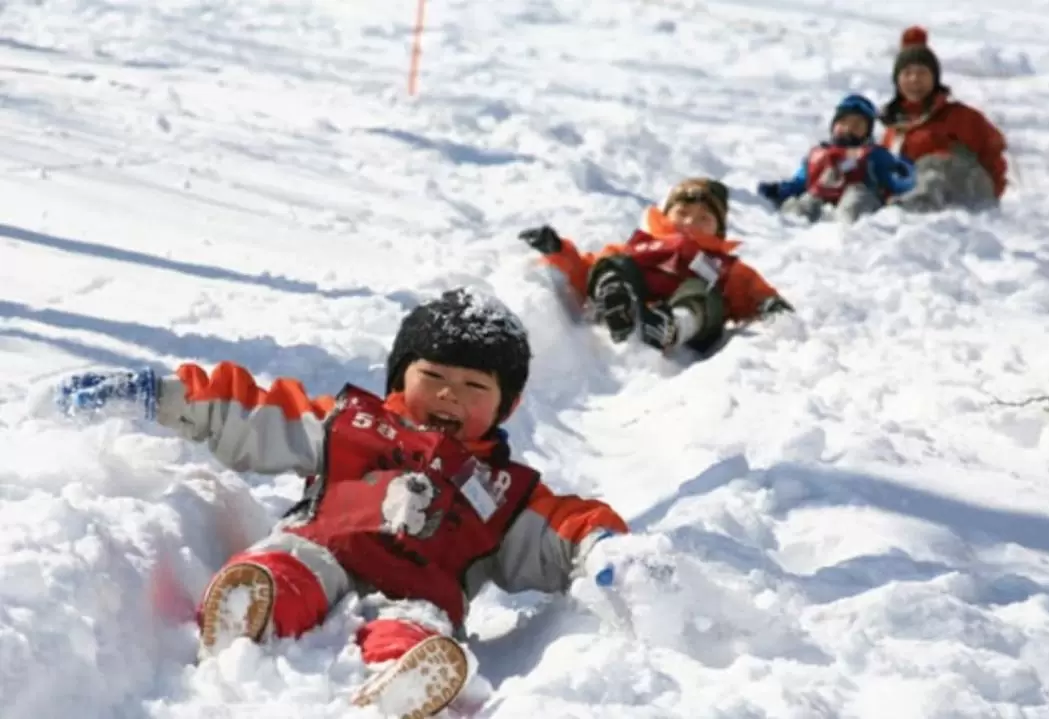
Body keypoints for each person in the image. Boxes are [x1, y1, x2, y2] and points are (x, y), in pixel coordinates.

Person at [57, 288, 628, 719]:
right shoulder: (351, 424)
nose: (450, 394)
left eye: (475, 386)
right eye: (433, 376)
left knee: (417, 626)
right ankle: (249, 609)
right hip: (319, 548)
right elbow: (253, 414)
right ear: (401, 376)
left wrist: (603, 549)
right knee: (284, 569)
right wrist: (165, 397)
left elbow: (564, 527)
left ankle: (402, 679)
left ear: (507, 403)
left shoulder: (504, 494)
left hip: (420, 591)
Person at [520, 177, 793, 355]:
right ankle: (616, 301)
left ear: (718, 230)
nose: (689, 223)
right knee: (615, 262)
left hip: (692, 320)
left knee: (703, 289)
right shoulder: (641, 244)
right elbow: (587, 270)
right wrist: (559, 250)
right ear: (665, 215)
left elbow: (751, 289)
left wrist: (769, 303)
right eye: (682, 213)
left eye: (704, 218)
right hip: (636, 295)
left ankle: (673, 325)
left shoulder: (722, 264)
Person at [879, 26, 1008, 211]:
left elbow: (993, 151)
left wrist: (991, 194)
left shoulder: (960, 116)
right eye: (907, 73)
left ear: (935, 79)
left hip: (967, 198)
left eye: (922, 73)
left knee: (931, 165)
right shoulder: (894, 130)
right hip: (911, 198)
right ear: (897, 82)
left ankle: (921, 204)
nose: (915, 79)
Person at [757, 94, 916, 224]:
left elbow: (896, 181)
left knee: (855, 197)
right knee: (808, 199)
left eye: (857, 125)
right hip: (821, 195)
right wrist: (780, 191)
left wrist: (902, 174)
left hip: (860, 195)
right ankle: (796, 224)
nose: (848, 128)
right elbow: (801, 181)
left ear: (867, 133)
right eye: (843, 122)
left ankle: (847, 228)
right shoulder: (819, 153)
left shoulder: (873, 154)